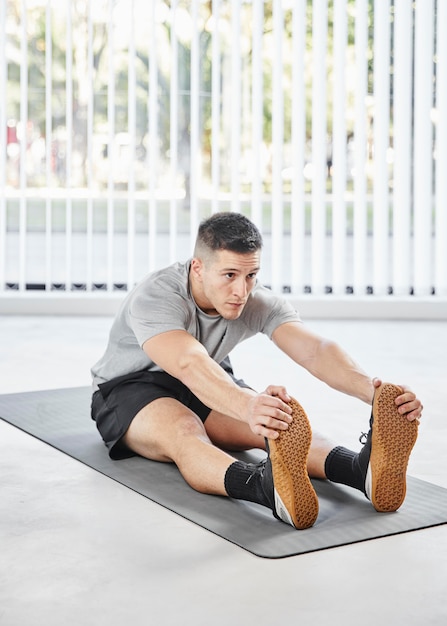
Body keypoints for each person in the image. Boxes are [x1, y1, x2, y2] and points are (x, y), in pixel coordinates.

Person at [91, 212, 423, 529]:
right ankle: (262, 487)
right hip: (129, 388)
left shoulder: (254, 299)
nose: (241, 291)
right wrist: (248, 404)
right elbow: (188, 362)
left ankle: (358, 469)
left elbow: (315, 350)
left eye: (251, 275)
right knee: (185, 429)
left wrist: (373, 392)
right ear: (197, 269)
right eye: (229, 275)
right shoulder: (157, 295)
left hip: (206, 377)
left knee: (276, 424)